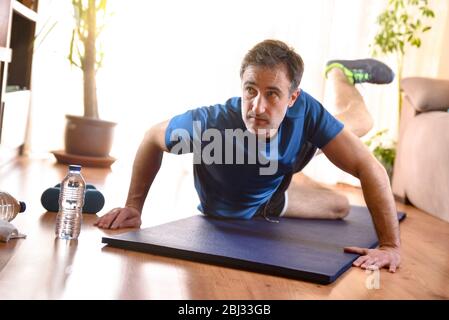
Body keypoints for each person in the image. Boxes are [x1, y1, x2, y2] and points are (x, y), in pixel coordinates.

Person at [95, 40, 401, 272]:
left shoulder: (306, 114)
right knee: (338, 205)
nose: (257, 107)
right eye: (250, 90)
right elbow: (151, 138)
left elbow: (367, 166)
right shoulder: (211, 125)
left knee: (361, 123)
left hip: (292, 149)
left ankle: (338, 75)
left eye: (272, 94)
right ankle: (286, 173)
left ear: (293, 97)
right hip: (264, 195)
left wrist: (389, 246)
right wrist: (134, 206)